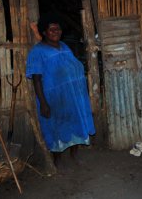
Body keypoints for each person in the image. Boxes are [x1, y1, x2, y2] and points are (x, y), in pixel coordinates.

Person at [26, 14, 95, 170]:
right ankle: (57, 160)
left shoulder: (64, 46)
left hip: (72, 97)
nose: (56, 31)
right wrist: (43, 103)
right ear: (44, 32)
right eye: (52, 29)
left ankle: (74, 154)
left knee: (75, 124)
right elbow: (36, 79)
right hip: (53, 98)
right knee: (56, 127)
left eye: (58, 29)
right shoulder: (37, 51)